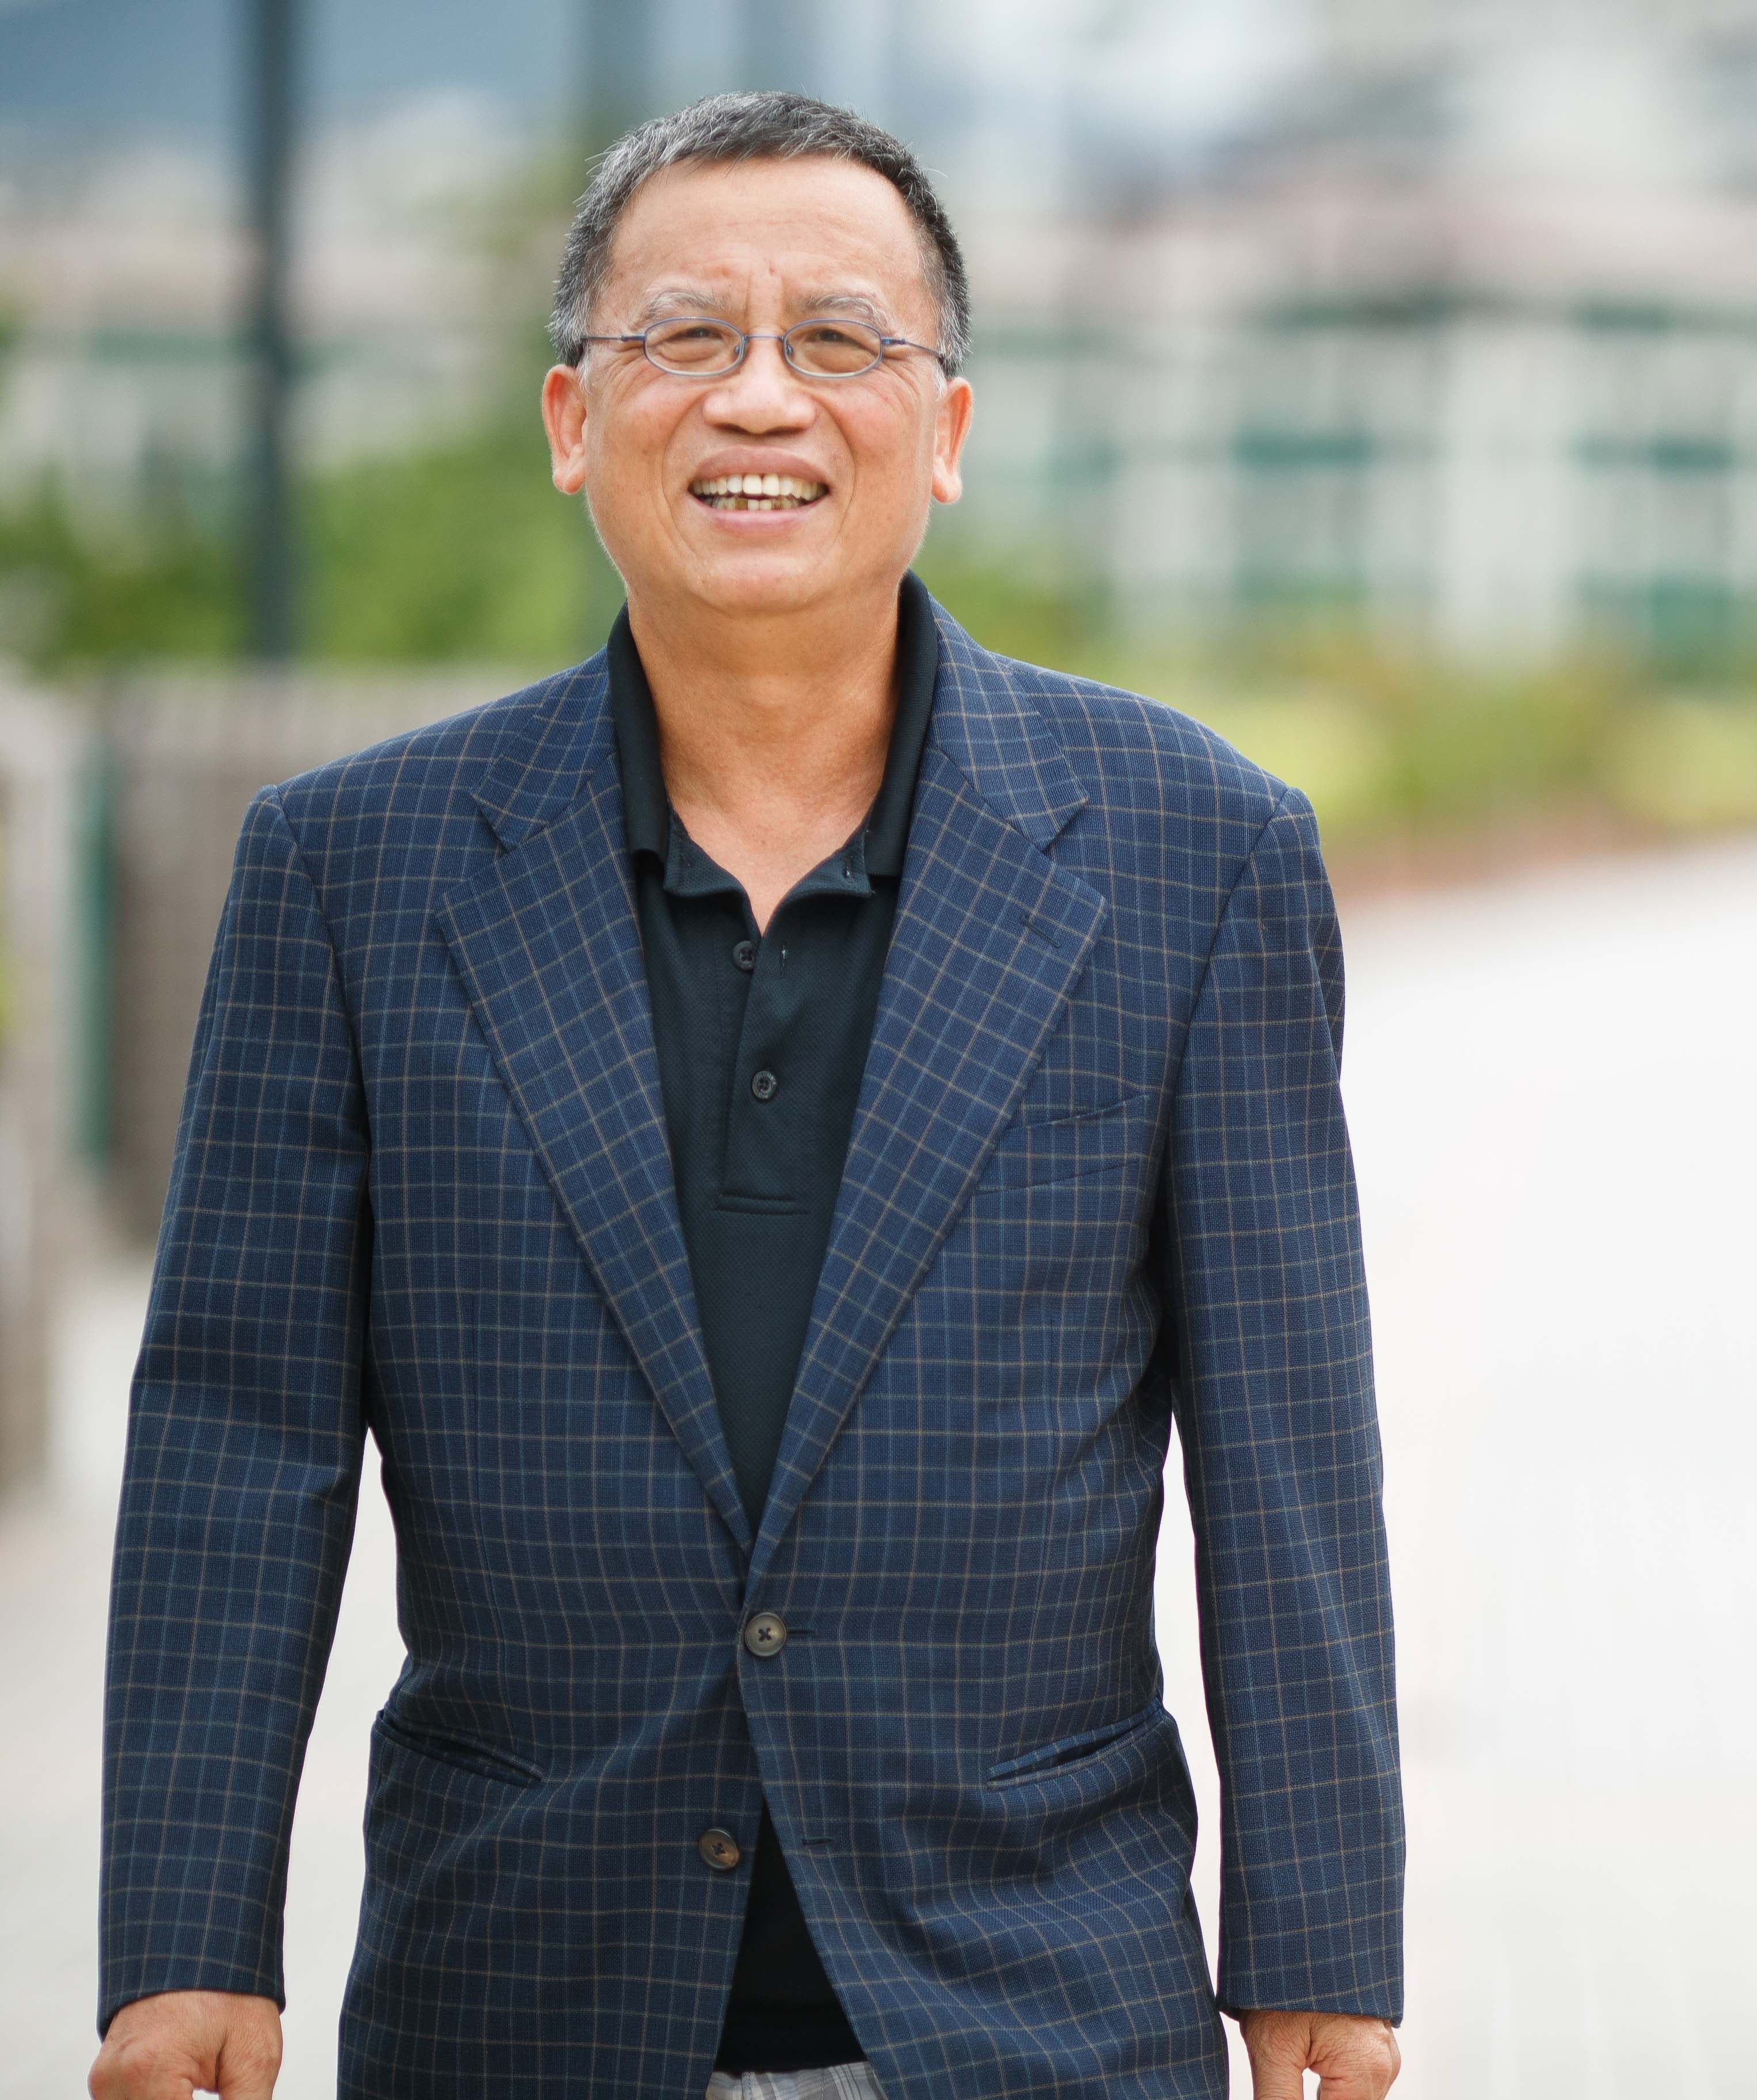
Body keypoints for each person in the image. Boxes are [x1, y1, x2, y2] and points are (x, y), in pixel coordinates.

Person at [92, 94, 1401, 2100]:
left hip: (1035, 1995)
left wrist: (1315, 1937)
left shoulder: (1194, 853)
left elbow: (1284, 1434)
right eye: (688, 336)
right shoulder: (353, 870)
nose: (761, 397)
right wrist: (186, 1940)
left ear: (946, 430)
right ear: (571, 421)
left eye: (842, 339)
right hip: (515, 1991)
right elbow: (237, 1436)